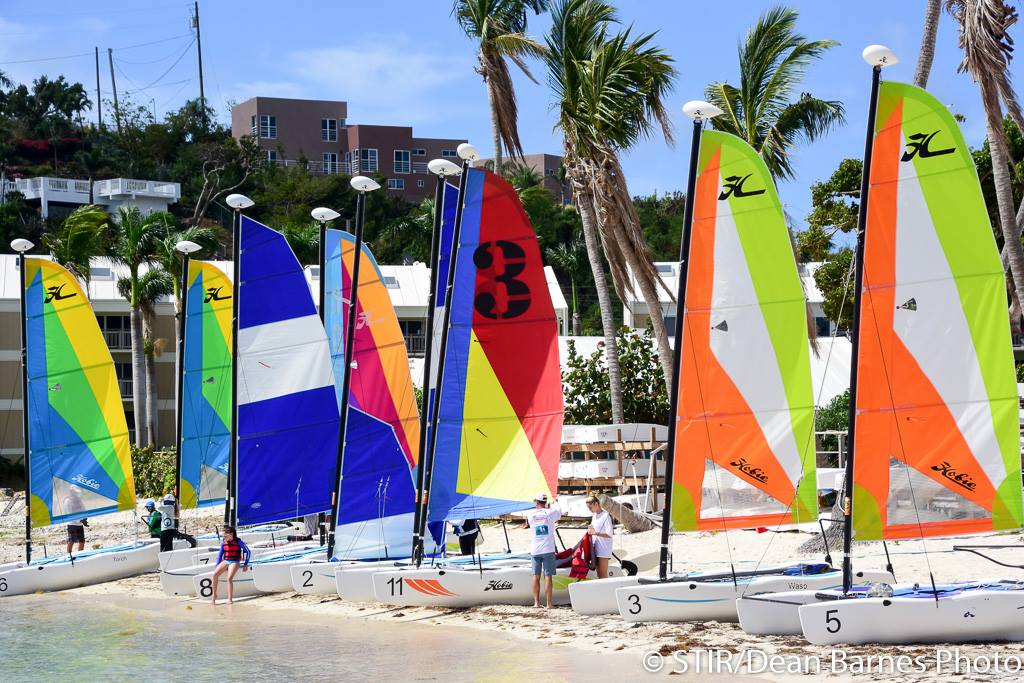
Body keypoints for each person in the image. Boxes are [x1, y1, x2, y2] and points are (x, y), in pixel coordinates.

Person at [528, 492, 561, 608]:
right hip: (548, 549)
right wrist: (554, 500)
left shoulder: (530, 515)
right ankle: (549, 604)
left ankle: (536, 603)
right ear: (545, 502)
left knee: (535, 576)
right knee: (548, 577)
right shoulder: (551, 513)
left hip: (535, 550)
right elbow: (559, 510)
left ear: (536, 502)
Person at [211, 526, 251, 605]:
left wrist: (246, 564)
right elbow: (220, 555)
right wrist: (217, 566)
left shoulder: (238, 542)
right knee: (215, 575)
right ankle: (214, 595)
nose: (224, 536)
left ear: (231, 534)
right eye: (224, 535)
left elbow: (248, 551)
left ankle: (230, 599)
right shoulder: (224, 543)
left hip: (235, 561)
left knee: (229, 578)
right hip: (226, 561)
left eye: (225, 535)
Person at [585, 496, 613, 578]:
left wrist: (595, 533)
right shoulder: (594, 516)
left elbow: (609, 534)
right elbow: (593, 529)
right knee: (599, 574)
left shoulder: (606, 516)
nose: (589, 509)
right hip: (595, 548)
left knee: (603, 574)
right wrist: (590, 529)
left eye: (590, 507)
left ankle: (607, 590)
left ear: (596, 504)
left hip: (604, 549)